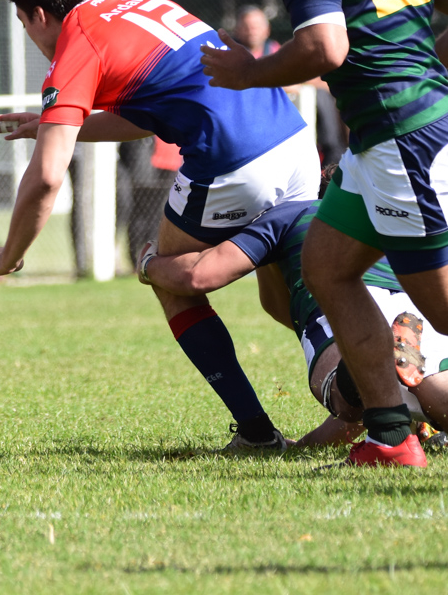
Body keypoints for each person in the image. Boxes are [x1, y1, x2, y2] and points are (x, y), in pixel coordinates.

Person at [0, 0, 317, 452]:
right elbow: (146, 112)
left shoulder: (77, 43)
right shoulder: (137, 4)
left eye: (25, 24)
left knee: (170, 278)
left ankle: (256, 432)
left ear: (40, 15)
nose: (30, 37)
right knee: (283, 299)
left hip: (235, 164)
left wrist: (10, 255)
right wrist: (47, 126)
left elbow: (47, 178)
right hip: (294, 143)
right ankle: (387, 396)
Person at [200, 0, 448, 468]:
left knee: (443, 311)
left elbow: (325, 47)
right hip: (383, 142)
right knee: (327, 266)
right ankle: (392, 437)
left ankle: (398, 429)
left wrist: (247, 73)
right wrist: (424, 61)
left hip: (402, 138)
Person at [139, 189, 448, 449]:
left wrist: (149, 265)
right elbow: (348, 427)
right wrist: (303, 447)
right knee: (436, 395)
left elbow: (199, 275)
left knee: (347, 397)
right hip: (416, 314)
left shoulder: (294, 213)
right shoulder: (384, 215)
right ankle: (415, 403)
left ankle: (368, 372)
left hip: (351, 308)